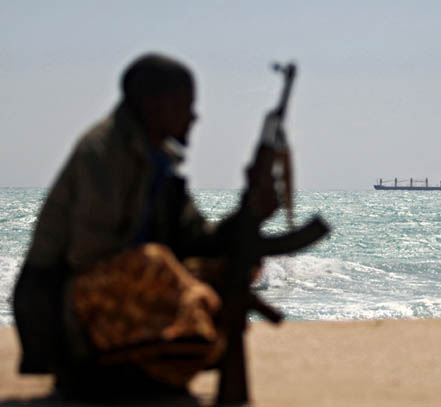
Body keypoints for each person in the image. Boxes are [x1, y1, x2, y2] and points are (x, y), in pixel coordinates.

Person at [12, 53, 278, 398]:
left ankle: (160, 366)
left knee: (230, 265)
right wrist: (182, 284)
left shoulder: (159, 165)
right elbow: (89, 255)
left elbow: (198, 239)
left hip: (114, 291)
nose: (194, 116)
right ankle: (118, 362)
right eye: (186, 104)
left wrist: (250, 212)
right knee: (153, 262)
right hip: (60, 308)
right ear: (156, 106)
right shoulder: (103, 152)